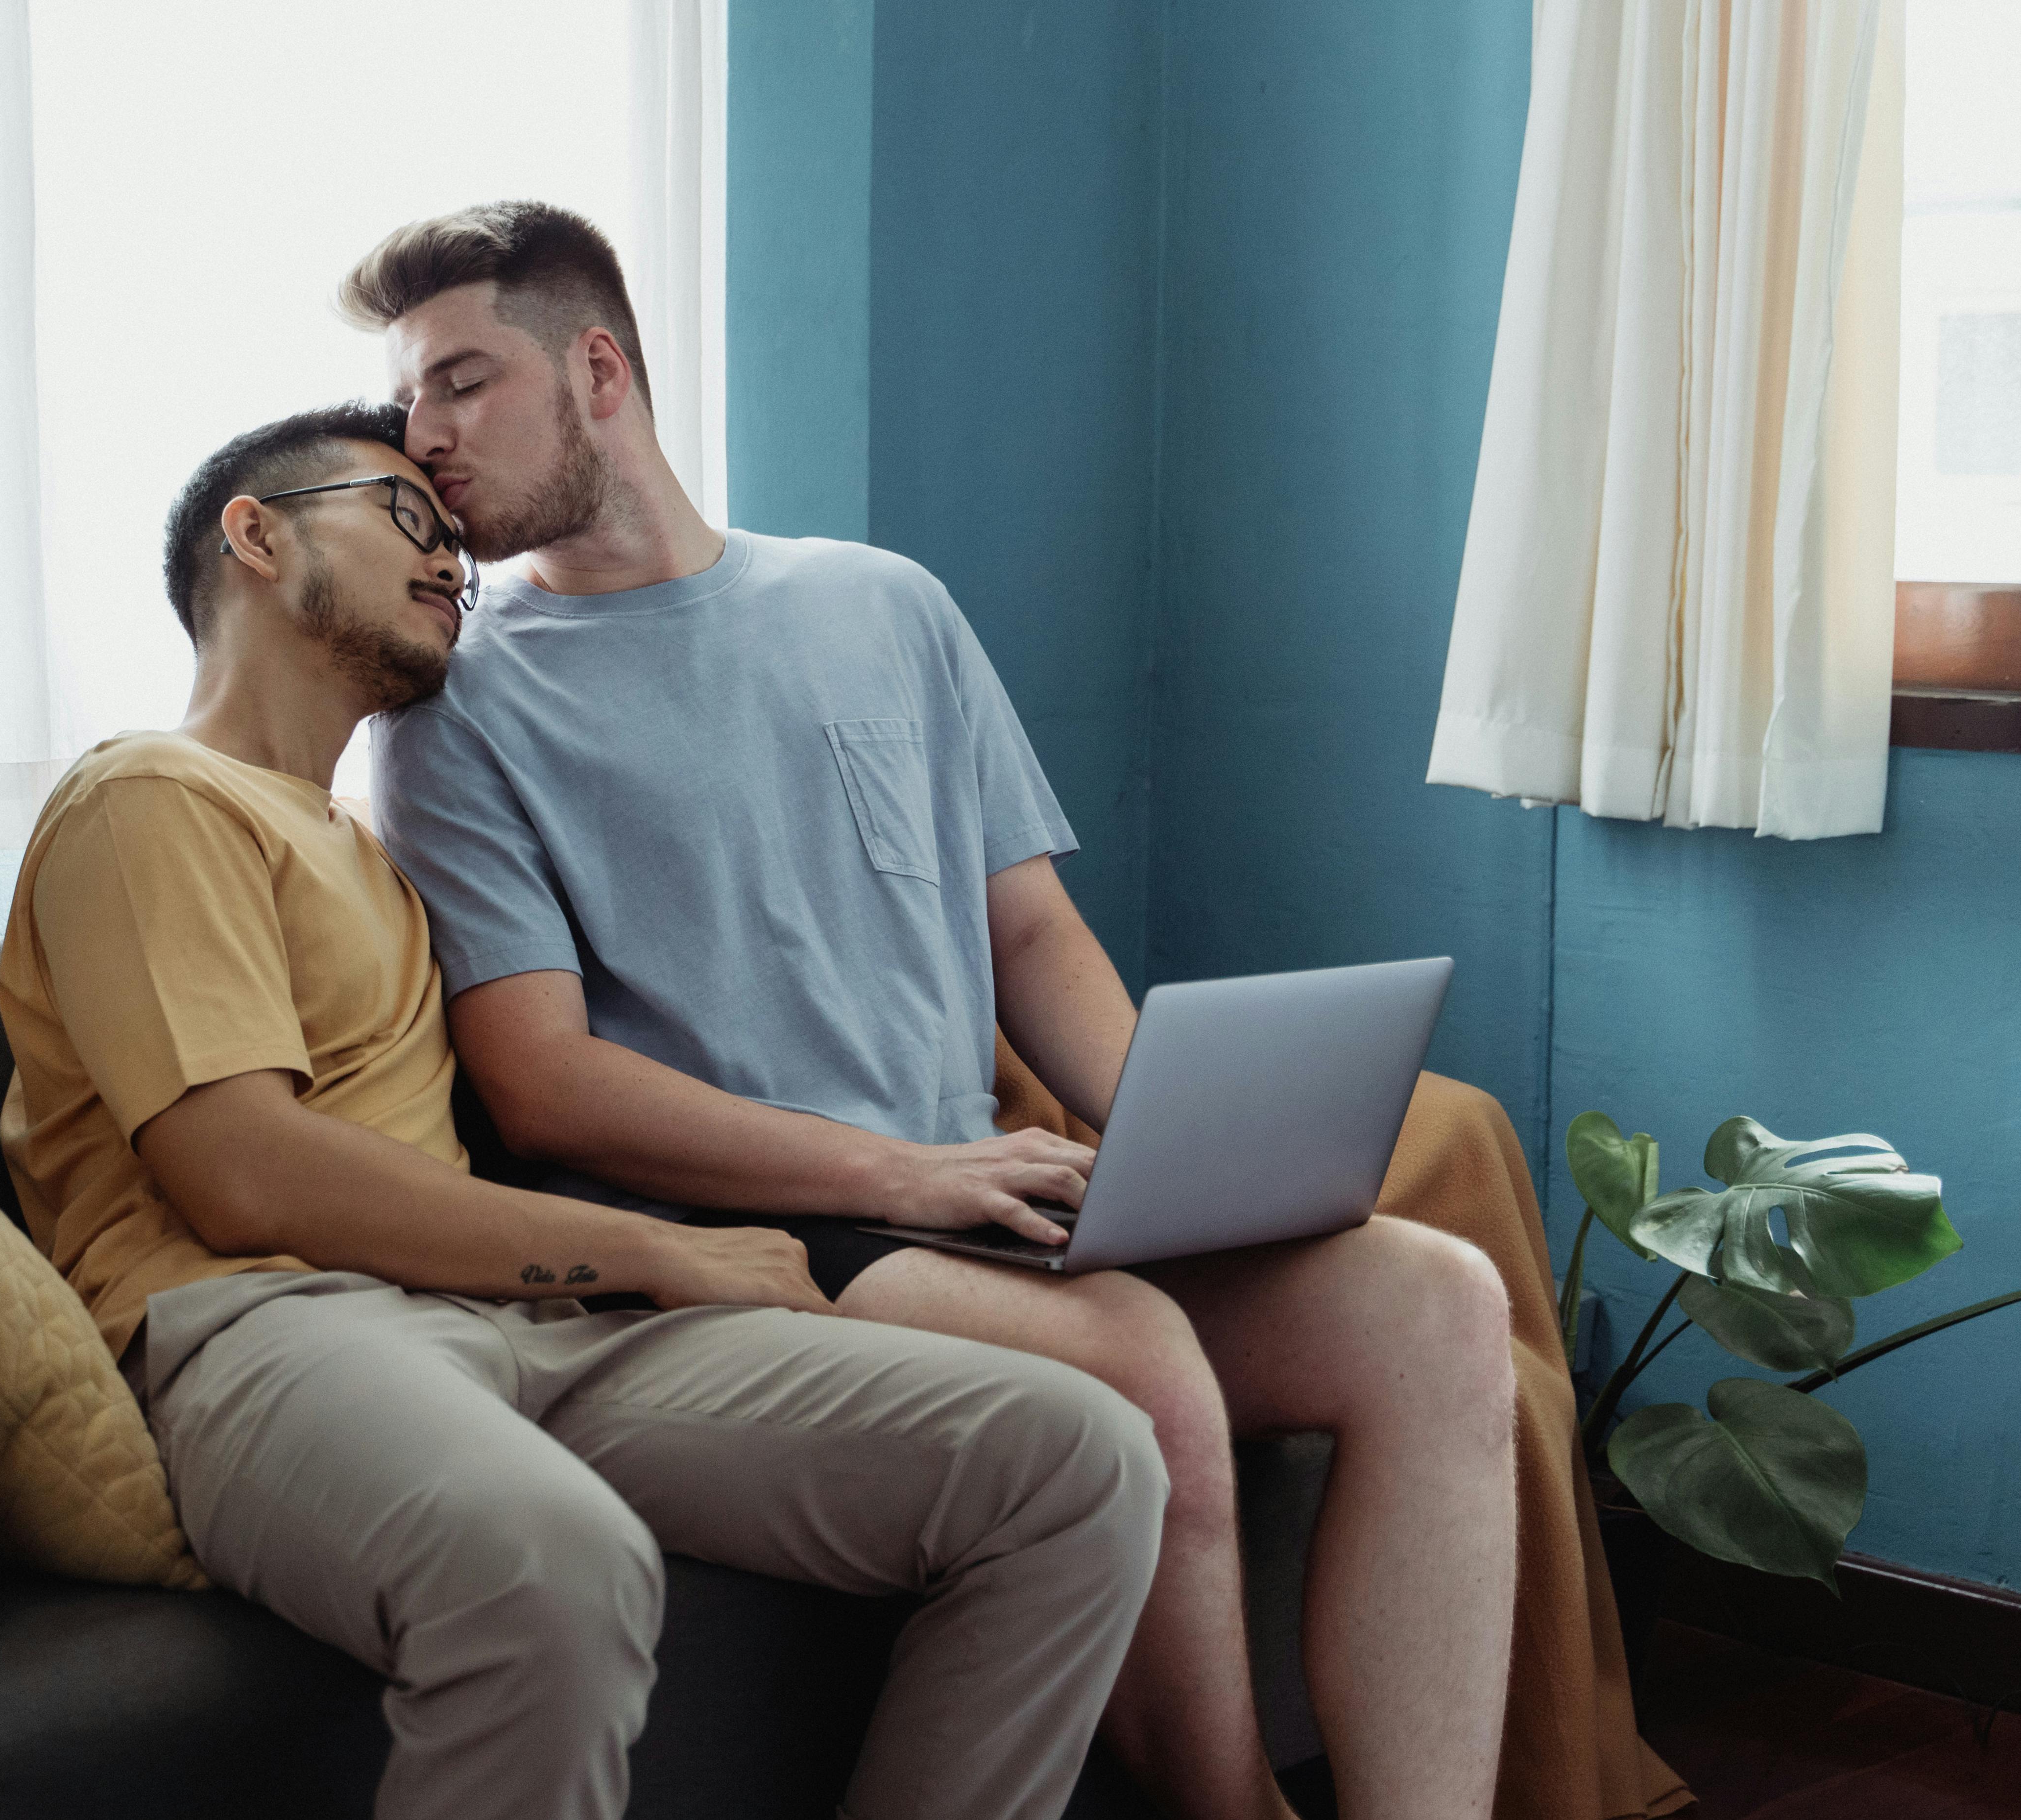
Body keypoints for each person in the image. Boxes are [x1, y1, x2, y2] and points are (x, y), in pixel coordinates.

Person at [352, 202, 1524, 1820]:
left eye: (461, 383)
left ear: (598, 368)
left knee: (1437, 1301)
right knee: (1145, 1371)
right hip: (758, 1235)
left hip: (974, 1195)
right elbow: (545, 1088)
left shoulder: (880, 602)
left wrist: (1166, 1144)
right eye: (411, 401)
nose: (424, 439)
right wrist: (901, 1176)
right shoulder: (453, 711)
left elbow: (1028, 925)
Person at [0, 400, 1172, 1820]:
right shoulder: (150, 796)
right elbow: (246, 1174)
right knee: (554, 1561)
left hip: (513, 1325)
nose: (450, 563)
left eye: (457, 543)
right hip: (265, 1327)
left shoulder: (368, 851)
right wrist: (659, 1254)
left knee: (1076, 1455)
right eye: (403, 518)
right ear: (254, 533)